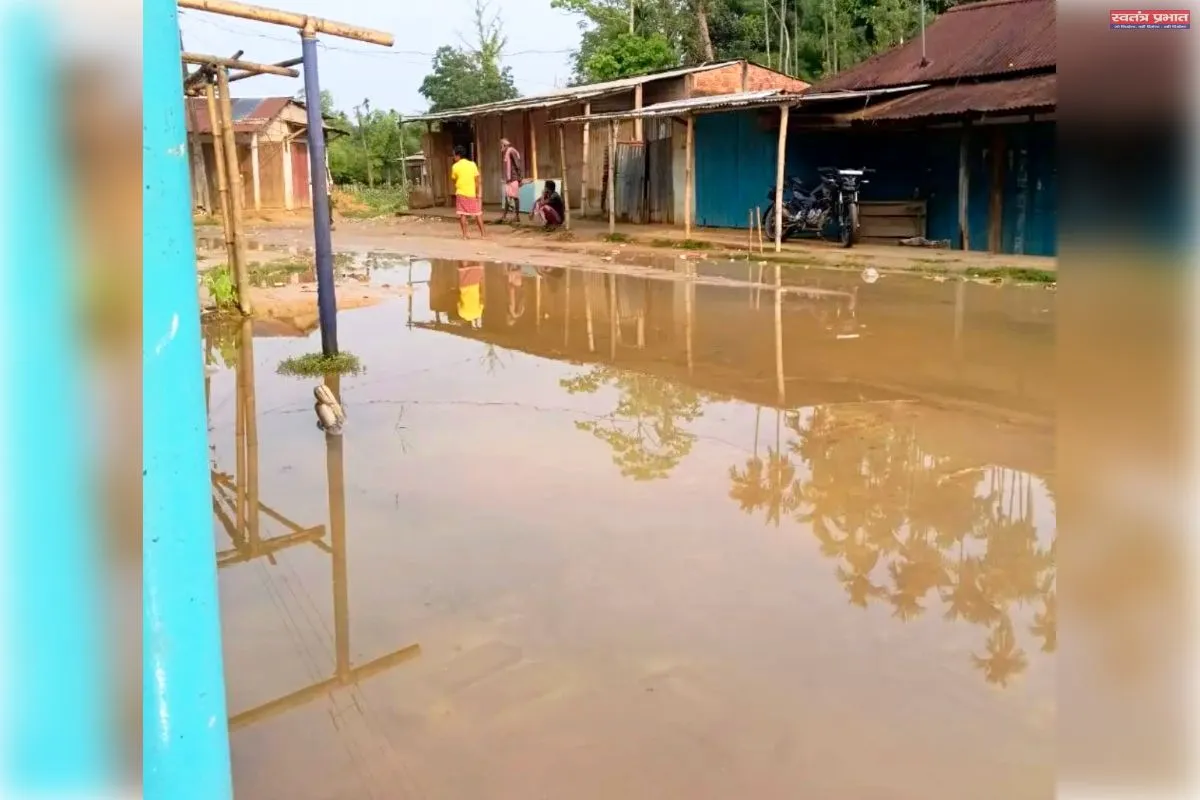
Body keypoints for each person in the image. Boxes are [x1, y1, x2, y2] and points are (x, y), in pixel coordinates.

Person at [450, 145, 486, 240]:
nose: (453, 157)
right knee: (478, 214)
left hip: (461, 192)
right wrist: (478, 192)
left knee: (462, 214)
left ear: (458, 155)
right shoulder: (472, 164)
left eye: (454, 155)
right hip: (472, 193)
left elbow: (454, 180)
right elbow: (477, 181)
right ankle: (483, 235)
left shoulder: (455, 167)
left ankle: (465, 235)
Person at [498, 138, 523, 223]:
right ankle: (504, 216)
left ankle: (517, 216)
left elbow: (517, 164)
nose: (501, 147)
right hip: (509, 179)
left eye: (501, 145)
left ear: (504, 145)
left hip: (514, 177)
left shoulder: (511, 151)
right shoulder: (508, 152)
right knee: (507, 197)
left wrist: (519, 178)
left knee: (515, 197)